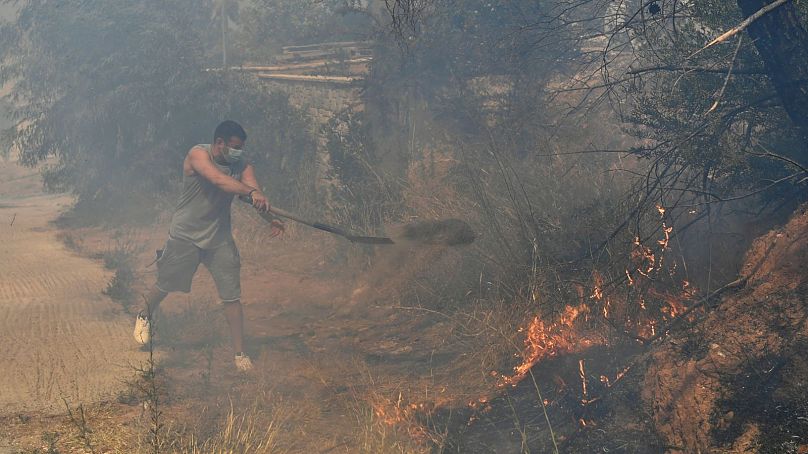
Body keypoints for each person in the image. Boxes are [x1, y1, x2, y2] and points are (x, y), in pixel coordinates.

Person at [133, 120, 283, 372]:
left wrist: (271, 217)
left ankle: (240, 354)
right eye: (234, 147)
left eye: (241, 148)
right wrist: (251, 193)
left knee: (231, 296)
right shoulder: (198, 155)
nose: (237, 152)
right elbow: (220, 181)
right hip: (186, 235)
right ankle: (144, 314)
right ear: (219, 143)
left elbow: (255, 193)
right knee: (167, 283)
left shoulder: (243, 166)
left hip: (219, 238)